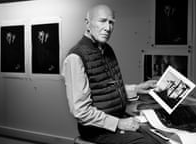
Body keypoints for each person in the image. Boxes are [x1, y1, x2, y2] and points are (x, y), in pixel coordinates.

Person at [62, 4, 158, 144]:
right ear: (87, 23)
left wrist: (137, 88)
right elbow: (81, 111)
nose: (108, 28)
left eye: (111, 22)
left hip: (117, 119)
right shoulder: (75, 57)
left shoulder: (107, 50)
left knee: (158, 136)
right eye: (102, 21)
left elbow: (106, 89)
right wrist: (118, 123)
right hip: (96, 130)